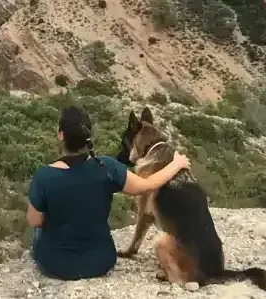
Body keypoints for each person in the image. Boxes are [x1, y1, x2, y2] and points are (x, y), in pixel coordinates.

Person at [26, 105, 191, 281]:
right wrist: (176, 164)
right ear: (88, 136)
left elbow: (34, 221)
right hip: (101, 260)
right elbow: (147, 185)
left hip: (57, 265)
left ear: (61, 135)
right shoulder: (107, 167)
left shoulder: (44, 176)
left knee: (39, 233)